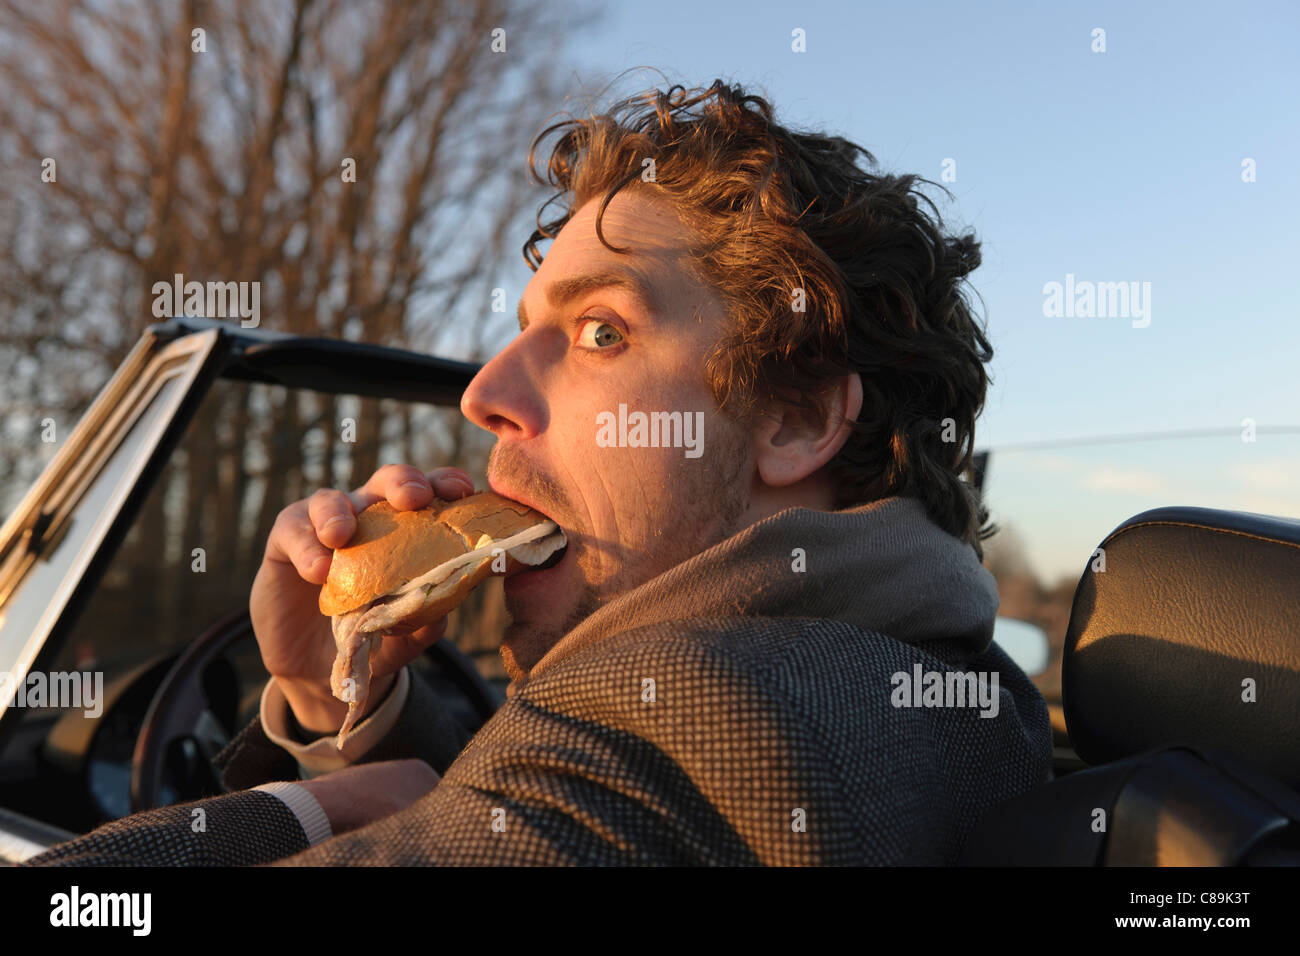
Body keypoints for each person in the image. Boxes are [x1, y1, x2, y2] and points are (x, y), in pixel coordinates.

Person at [27, 80, 1050, 866]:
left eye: (601, 329)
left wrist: (303, 809)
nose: (483, 393)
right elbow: (523, 789)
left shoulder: (703, 713)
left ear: (798, 417)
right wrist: (331, 690)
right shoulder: (957, 696)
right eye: (521, 330)